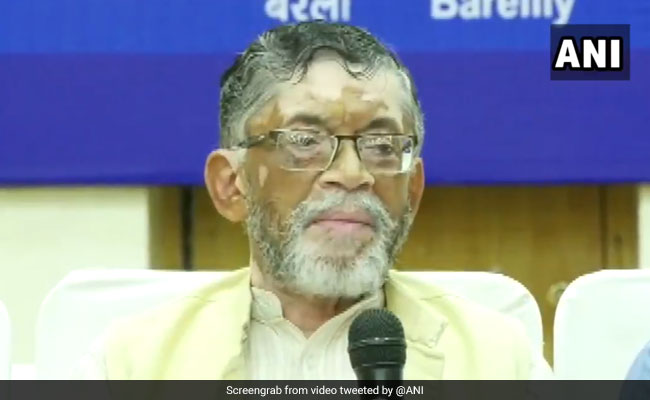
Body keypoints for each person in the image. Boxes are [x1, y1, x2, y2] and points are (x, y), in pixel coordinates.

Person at [79, 21, 552, 379]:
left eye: (382, 146)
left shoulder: (499, 361)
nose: (352, 175)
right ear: (232, 185)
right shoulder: (133, 367)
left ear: (412, 190)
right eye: (305, 142)